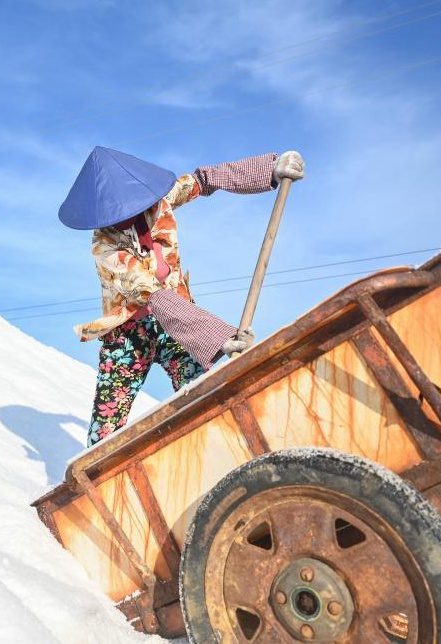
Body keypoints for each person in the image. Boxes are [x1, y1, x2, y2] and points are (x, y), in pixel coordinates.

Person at [58, 147, 305, 446]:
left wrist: (270, 169)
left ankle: (220, 449)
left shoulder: (157, 202)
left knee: (203, 393)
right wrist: (217, 336)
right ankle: (99, 470)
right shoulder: (105, 246)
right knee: (107, 422)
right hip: (129, 334)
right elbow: (151, 293)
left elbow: (204, 179)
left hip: (176, 323)